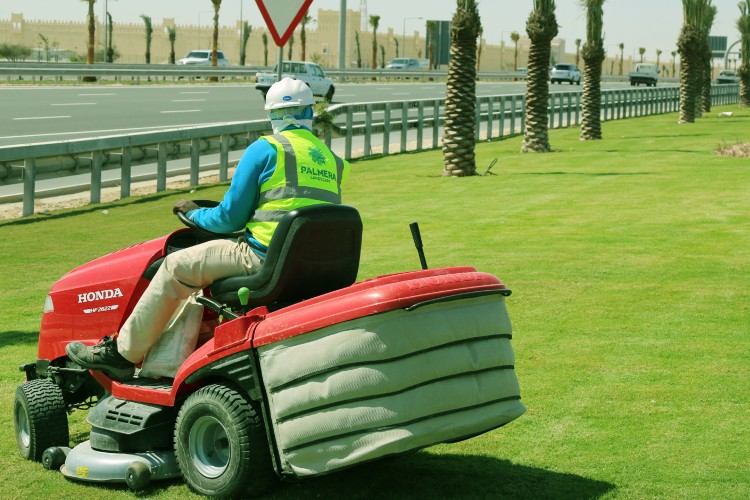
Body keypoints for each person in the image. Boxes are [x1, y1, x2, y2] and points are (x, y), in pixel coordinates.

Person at [66, 78, 350, 380]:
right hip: (312, 265)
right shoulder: (333, 161)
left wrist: (195, 214)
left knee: (175, 267)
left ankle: (122, 354)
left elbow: (229, 219)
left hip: (262, 257)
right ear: (310, 112)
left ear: (271, 114)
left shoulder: (265, 149)